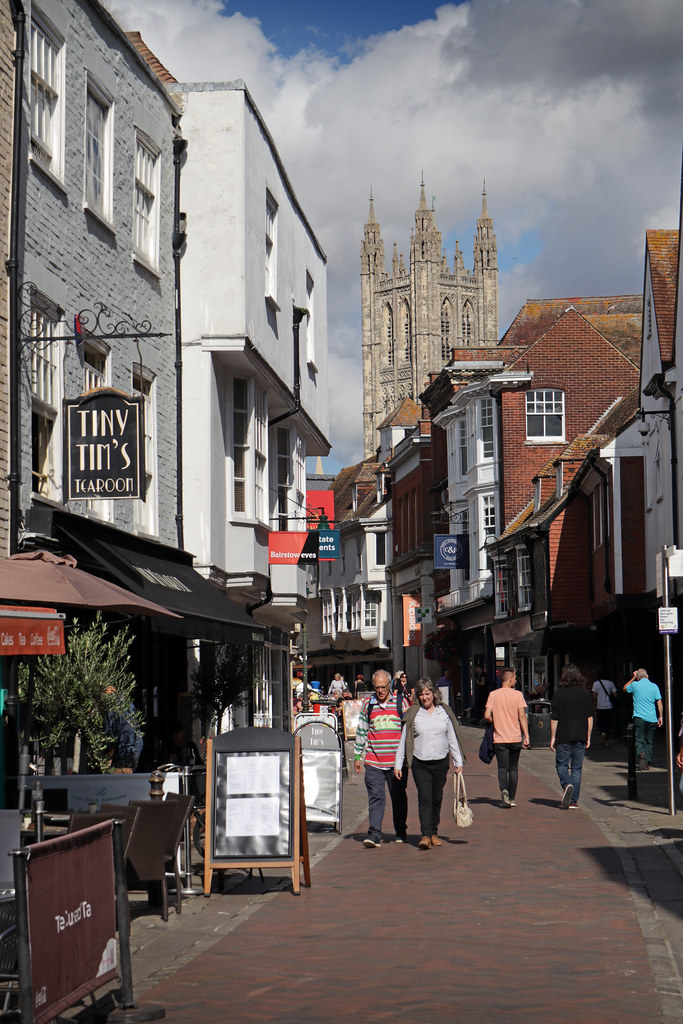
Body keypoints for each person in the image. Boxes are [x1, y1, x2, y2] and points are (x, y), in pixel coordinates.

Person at [394, 678, 463, 848]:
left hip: (440, 762)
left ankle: (434, 832)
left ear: (434, 694)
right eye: (421, 694)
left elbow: (452, 738)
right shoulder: (413, 713)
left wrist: (458, 761)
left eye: (427, 693)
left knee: (437, 797)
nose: (425, 697)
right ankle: (425, 835)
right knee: (425, 797)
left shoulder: (444, 712)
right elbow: (403, 740)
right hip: (420, 762)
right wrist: (398, 764)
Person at [354, 669, 411, 847]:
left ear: (389, 685)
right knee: (376, 796)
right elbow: (362, 730)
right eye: (377, 687)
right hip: (374, 760)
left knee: (398, 796)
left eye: (383, 687)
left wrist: (408, 756)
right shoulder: (367, 704)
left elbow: (409, 730)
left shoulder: (401, 703)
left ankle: (400, 830)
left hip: (397, 763)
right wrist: (357, 755)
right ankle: (374, 834)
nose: (380, 691)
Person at [550, 664, 595, 809]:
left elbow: (554, 718)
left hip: (563, 736)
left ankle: (566, 784)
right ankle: (574, 801)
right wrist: (588, 736)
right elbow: (590, 717)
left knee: (561, 765)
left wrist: (552, 737)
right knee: (577, 769)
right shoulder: (585, 694)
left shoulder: (558, 694)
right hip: (580, 735)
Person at [484, 666, 529, 808]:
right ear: (510, 679)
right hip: (515, 737)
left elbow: (486, 715)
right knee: (513, 768)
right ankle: (512, 798)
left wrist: (495, 721)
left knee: (502, 768)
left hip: (500, 738)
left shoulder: (493, 695)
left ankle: (504, 790)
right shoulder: (518, 695)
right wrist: (526, 735)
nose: (515, 681)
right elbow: (522, 716)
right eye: (515, 678)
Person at [624, 668, 663, 770]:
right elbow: (659, 702)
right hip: (652, 718)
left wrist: (633, 678)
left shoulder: (635, 685)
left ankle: (641, 752)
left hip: (639, 717)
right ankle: (647, 763)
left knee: (639, 739)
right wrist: (661, 716)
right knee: (649, 741)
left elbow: (624, 688)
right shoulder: (654, 686)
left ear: (638, 677)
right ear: (647, 676)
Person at [591, 674, 618, 745]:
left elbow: (594, 695)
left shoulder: (596, 684)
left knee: (600, 721)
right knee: (608, 722)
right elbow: (615, 695)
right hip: (609, 706)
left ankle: (602, 732)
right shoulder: (610, 683)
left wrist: (597, 701)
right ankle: (606, 738)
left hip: (600, 706)